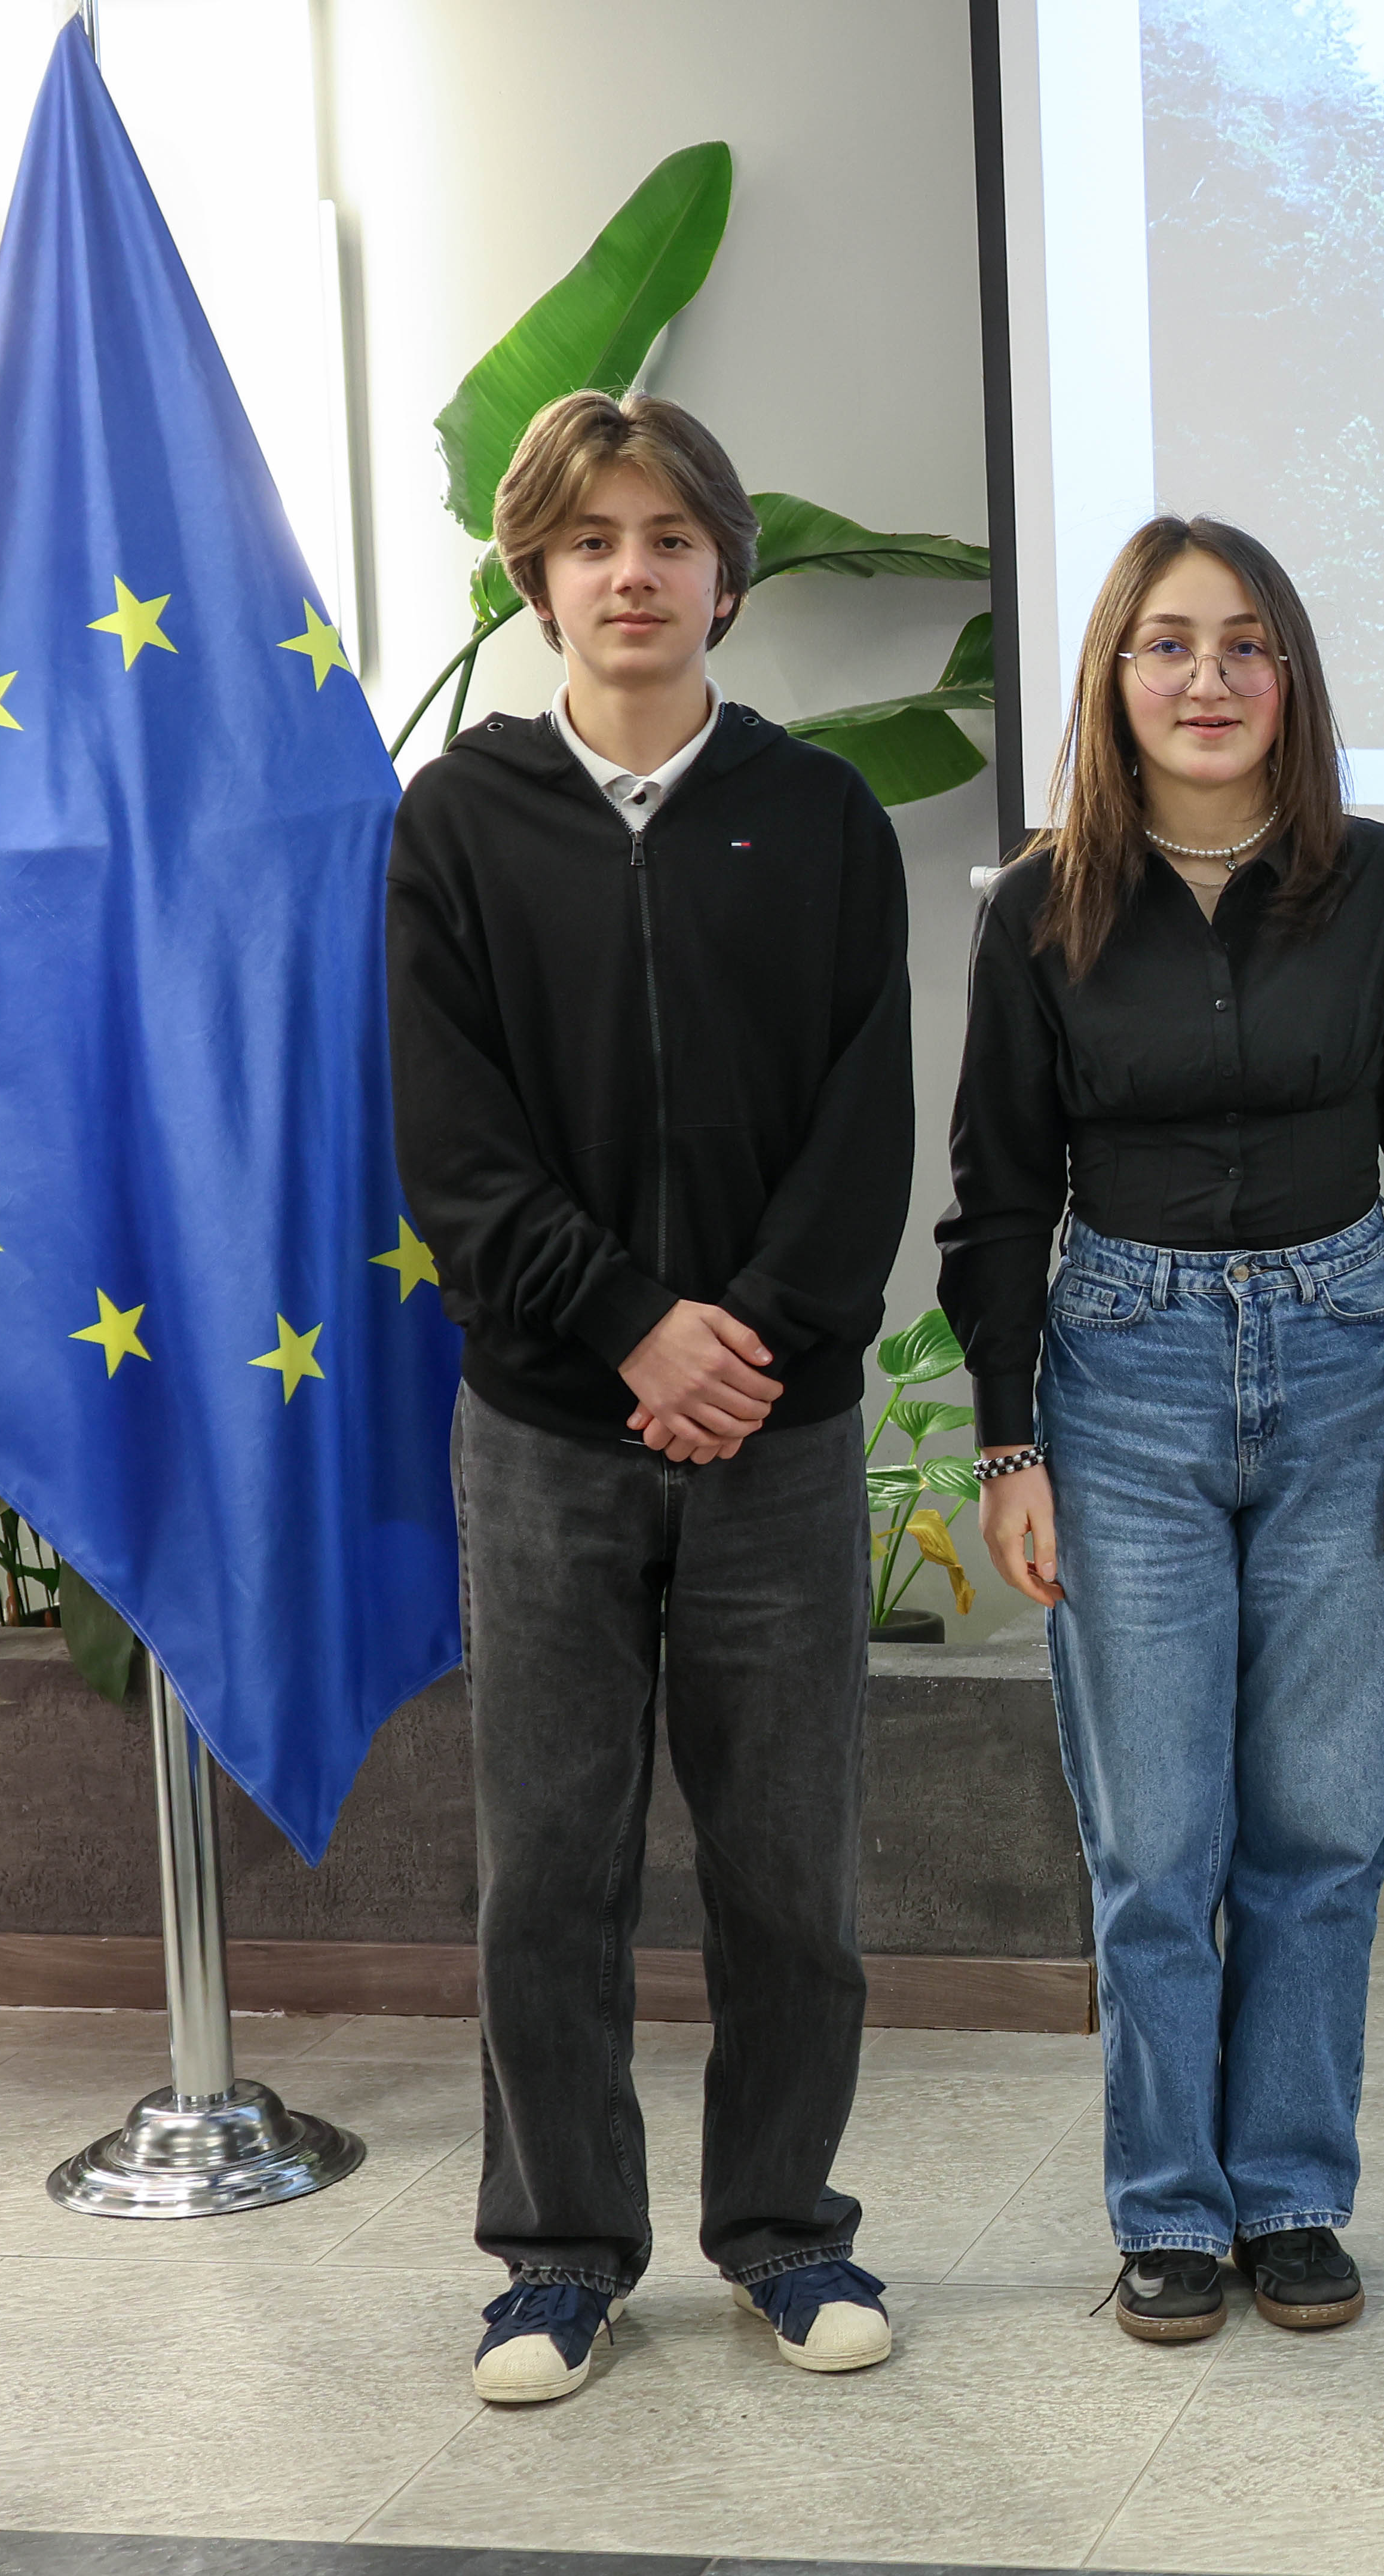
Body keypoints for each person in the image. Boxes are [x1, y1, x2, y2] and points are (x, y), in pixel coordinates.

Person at [387, 390, 914, 2405]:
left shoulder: (820, 814)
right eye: (594, 539)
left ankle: (785, 2230)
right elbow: (452, 1145)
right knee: (550, 1866)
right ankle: (557, 2255)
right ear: (538, 576)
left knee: (791, 1870)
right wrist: (627, 1328)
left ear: (724, 577)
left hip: (775, 1429)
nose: (633, 572)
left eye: (670, 538)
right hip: (546, 1429)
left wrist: (742, 1343)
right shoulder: (457, 822)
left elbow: (865, 1126)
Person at [944, 517, 1384, 2344]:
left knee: (1324, 1829)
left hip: (1349, 1373)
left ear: (1292, 680)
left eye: (1247, 644)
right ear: (1113, 677)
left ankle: (1291, 2192)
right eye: (1169, 644)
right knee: (1157, 1843)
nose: (1209, 678)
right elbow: (998, 1198)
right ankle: (1171, 2209)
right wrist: (1010, 1445)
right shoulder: (1036, 908)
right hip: (1122, 1387)